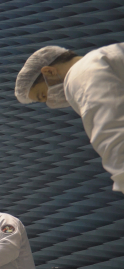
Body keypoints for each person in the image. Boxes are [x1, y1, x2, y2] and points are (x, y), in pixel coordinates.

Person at [15, 44, 124, 194]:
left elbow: (113, 134)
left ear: (49, 71)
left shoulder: (80, 75)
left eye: (43, 95)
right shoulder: (103, 56)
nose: (49, 102)